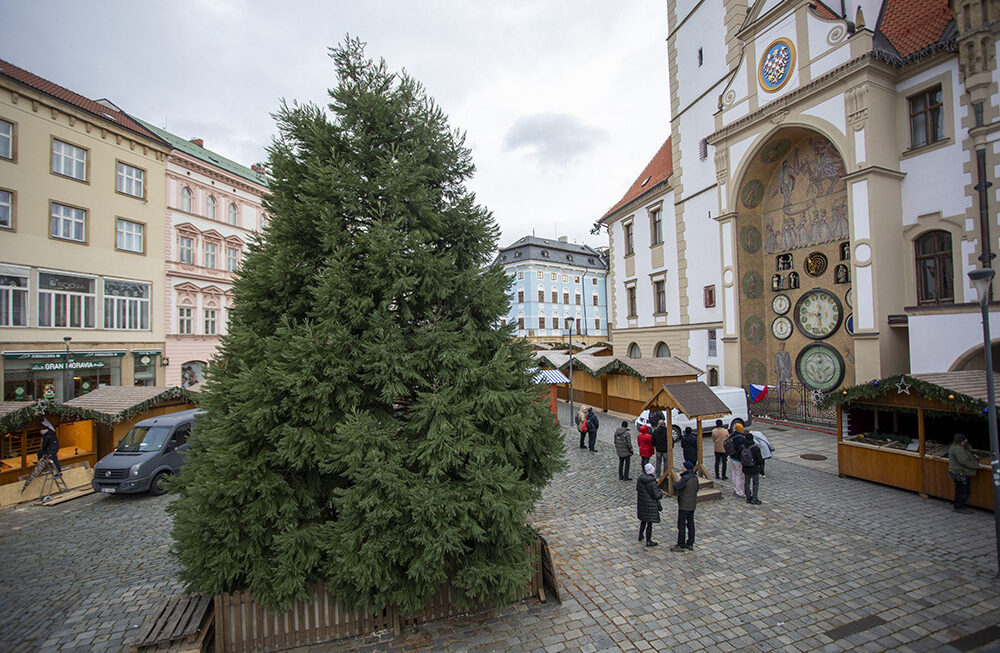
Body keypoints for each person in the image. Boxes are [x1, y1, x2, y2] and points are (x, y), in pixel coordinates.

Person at [670, 460, 699, 552]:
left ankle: (680, 544)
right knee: (691, 524)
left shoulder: (685, 479)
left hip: (684, 505)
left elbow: (677, 486)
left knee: (681, 524)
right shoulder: (695, 478)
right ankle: (690, 542)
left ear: (685, 468)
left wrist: (673, 484)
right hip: (692, 504)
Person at [948, 433, 980, 513]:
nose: (966, 441)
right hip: (960, 473)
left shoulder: (955, 447)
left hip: (957, 472)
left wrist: (972, 457)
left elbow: (963, 458)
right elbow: (964, 461)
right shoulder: (959, 449)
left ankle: (959, 506)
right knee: (963, 491)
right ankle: (959, 507)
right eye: (964, 440)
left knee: (960, 490)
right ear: (961, 441)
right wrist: (977, 466)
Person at [636, 462, 663, 547]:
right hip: (649, 504)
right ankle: (648, 541)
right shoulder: (651, 482)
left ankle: (640, 535)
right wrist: (660, 493)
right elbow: (656, 495)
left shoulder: (640, 480)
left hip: (642, 503)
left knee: (643, 520)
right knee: (649, 523)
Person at [742, 432, 764, 505]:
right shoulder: (756, 448)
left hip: (746, 468)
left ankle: (748, 497)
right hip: (754, 468)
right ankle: (755, 498)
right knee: (755, 483)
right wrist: (761, 469)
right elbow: (760, 460)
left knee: (747, 482)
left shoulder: (743, 447)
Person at [729, 424, 747, 498]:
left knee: (734, 473)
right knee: (739, 475)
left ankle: (735, 488)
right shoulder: (741, 438)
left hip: (731, 457)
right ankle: (739, 491)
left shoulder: (732, 435)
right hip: (737, 458)